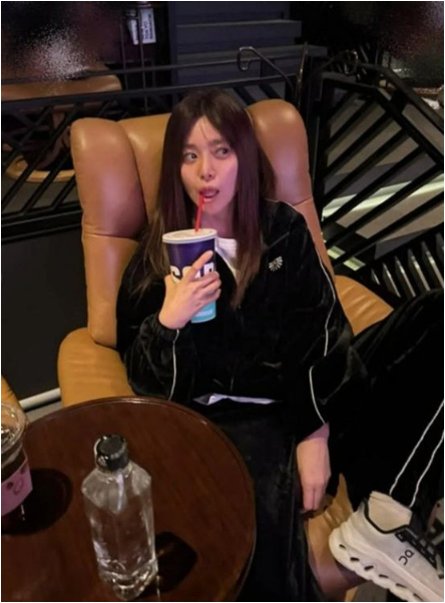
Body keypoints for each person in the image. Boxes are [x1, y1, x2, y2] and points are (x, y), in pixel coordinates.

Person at [116, 88, 443, 602]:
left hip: (318, 395)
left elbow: (323, 332)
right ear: (174, 169)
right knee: (262, 551)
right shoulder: (157, 257)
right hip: (239, 420)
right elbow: (146, 384)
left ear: (245, 158)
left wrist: (314, 430)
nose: (206, 171)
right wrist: (169, 321)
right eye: (190, 155)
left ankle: (390, 515)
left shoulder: (283, 230)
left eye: (222, 151)